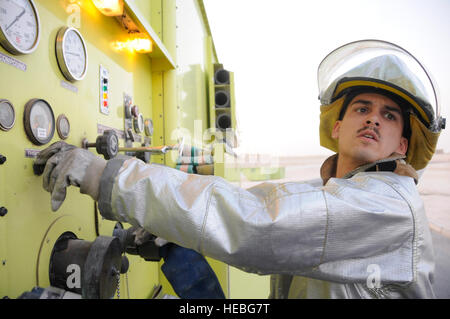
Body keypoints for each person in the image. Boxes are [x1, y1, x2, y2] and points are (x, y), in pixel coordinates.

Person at [34, 40, 446, 298]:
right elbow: (252, 203)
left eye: (390, 116)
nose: (374, 119)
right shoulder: (331, 193)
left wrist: (105, 176)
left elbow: (259, 225)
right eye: (362, 108)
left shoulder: (390, 208)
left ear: (404, 146)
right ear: (337, 127)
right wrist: (170, 228)